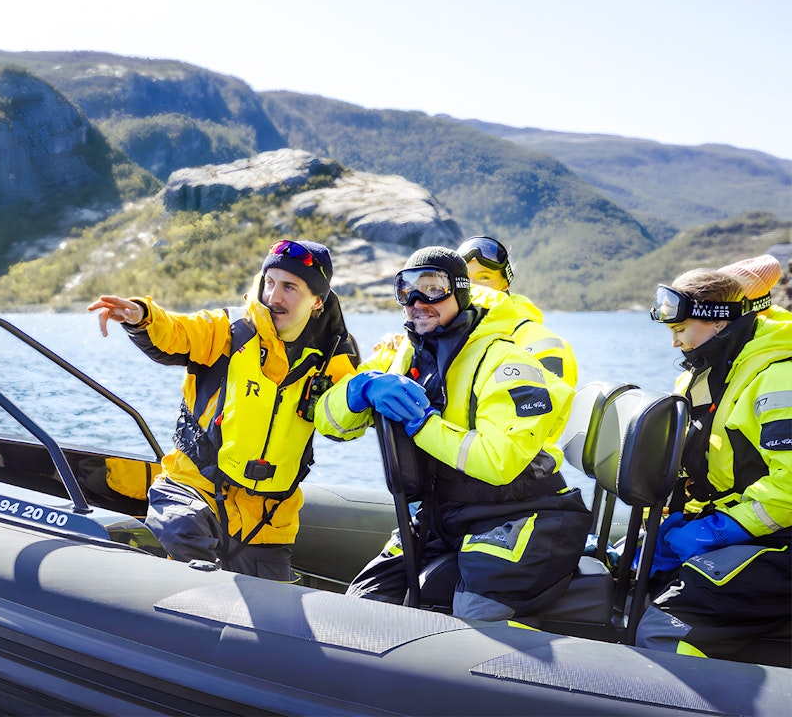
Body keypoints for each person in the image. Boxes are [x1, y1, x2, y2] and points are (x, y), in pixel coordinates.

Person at [315, 247, 590, 621]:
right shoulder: (405, 351)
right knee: (363, 605)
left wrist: (423, 424)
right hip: (439, 516)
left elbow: (499, 462)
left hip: (519, 510)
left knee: (476, 612)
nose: (417, 302)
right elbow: (329, 422)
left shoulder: (506, 361)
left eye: (432, 289)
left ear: (460, 292)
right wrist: (358, 389)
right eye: (405, 290)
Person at [87, 239, 358, 580]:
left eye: (290, 287)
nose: (273, 297)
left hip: (269, 517)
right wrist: (142, 316)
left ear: (317, 300)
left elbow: (346, 423)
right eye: (269, 282)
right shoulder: (227, 329)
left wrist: (373, 388)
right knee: (180, 529)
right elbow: (176, 333)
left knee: (273, 613)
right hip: (194, 486)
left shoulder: (336, 357)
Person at [636, 266, 791, 659]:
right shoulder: (706, 373)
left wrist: (719, 530)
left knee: (664, 630)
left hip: (779, 542)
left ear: (719, 324)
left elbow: (788, 488)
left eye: (680, 330)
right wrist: (681, 514)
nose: (675, 344)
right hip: (743, 528)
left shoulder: (779, 378)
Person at [456, 235, 579, 388]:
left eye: (484, 277)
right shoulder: (439, 331)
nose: (473, 286)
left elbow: (551, 406)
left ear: (505, 284)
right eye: (465, 279)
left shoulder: (542, 342)